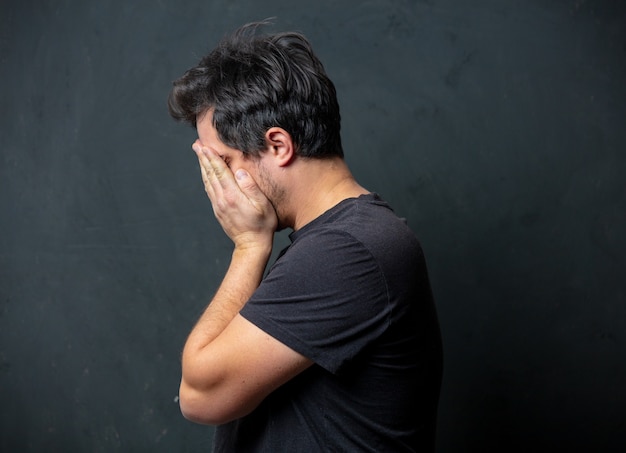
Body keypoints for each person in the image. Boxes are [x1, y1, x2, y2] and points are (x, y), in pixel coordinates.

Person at [167, 21, 443, 452]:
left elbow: (201, 397)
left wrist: (248, 246)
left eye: (221, 161)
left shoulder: (349, 251)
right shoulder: (340, 241)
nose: (215, 182)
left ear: (278, 145)